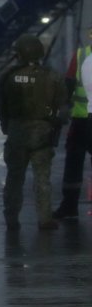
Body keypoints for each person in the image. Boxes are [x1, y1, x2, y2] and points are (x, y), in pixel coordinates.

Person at [0, 35, 65, 231]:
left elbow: (1, 107)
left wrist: (6, 125)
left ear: (18, 54)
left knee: (14, 178)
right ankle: (45, 219)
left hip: (17, 133)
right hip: (43, 134)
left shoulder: (7, 76)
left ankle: (11, 218)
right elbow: (62, 106)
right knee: (42, 178)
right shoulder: (52, 76)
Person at [54, 32, 92, 219]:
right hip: (82, 119)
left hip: (81, 120)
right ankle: (69, 206)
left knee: (73, 164)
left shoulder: (81, 55)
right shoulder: (81, 55)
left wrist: (61, 109)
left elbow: (67, 85)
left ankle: (69, 206)